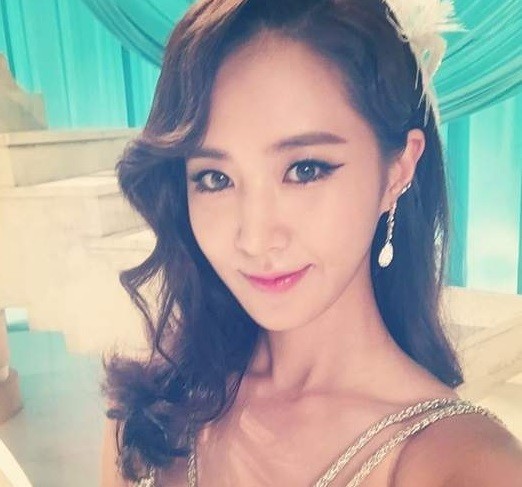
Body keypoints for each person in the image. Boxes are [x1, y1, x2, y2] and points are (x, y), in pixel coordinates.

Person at [101, 0, 522, 485]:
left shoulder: (467, 466)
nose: (255, 238)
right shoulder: (148, 415)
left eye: (305, 170)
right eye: (215, 178)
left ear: (397, 170)